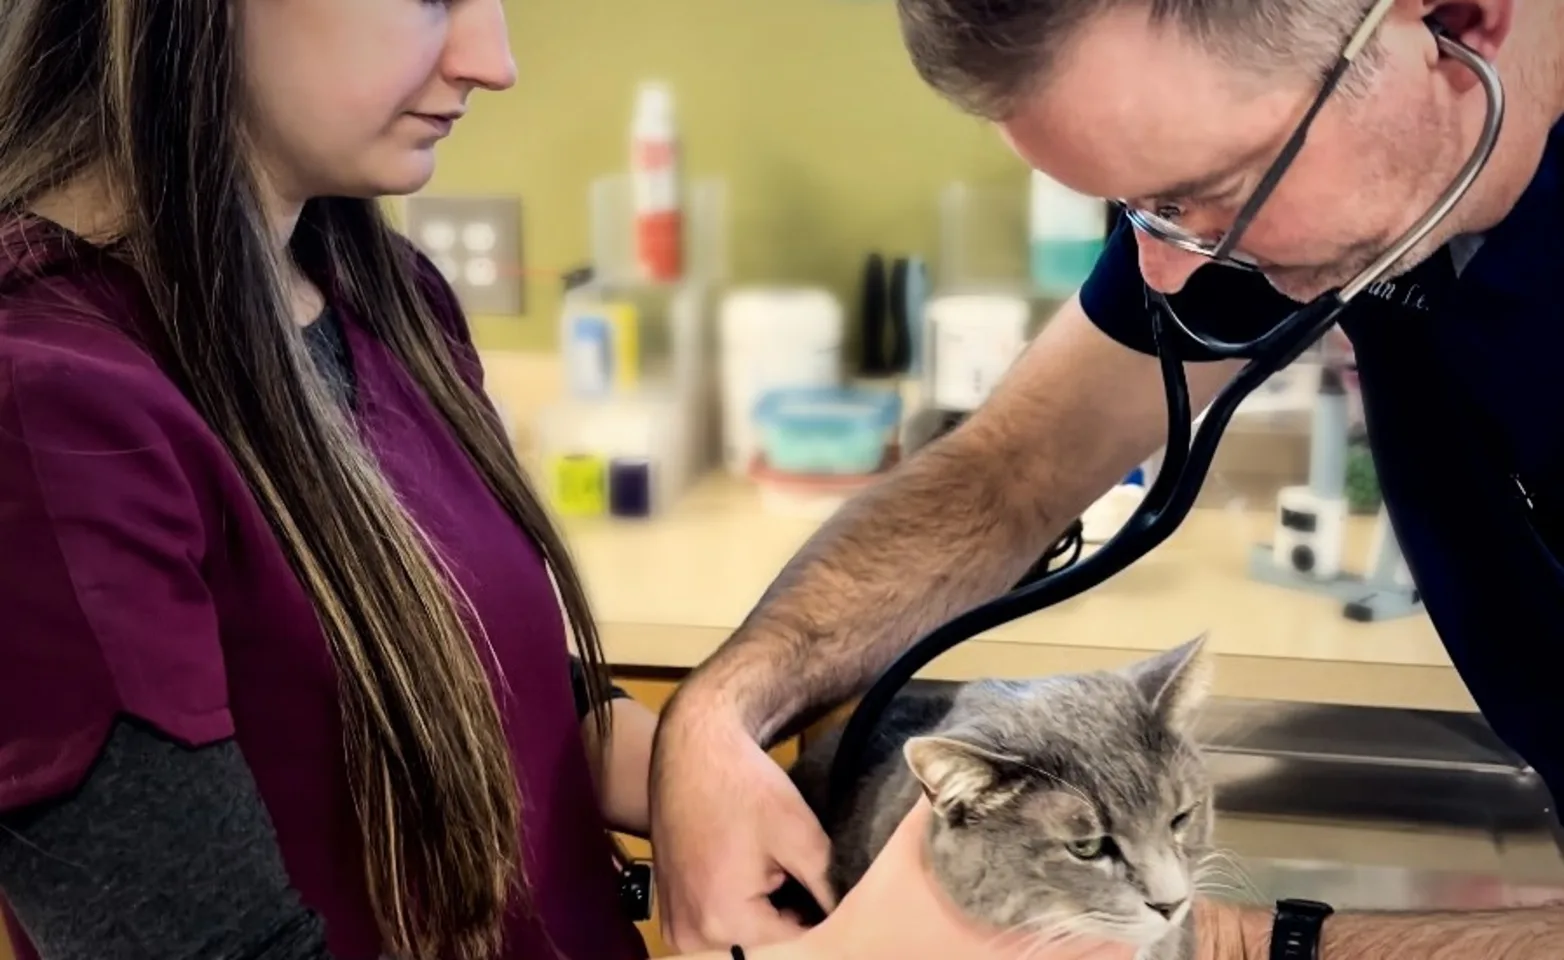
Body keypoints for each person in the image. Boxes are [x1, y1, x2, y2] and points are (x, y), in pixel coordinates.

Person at [651, 0, 1564, 958]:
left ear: (1463, 21)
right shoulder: (1305, 161)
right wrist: (715, 716)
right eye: (1141, 211)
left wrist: (1226, 944)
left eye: (1203, 190)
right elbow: (1008, 473)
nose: (1164, 273)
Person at [0, 1, 671, 958]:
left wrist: (683, 774)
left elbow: (472, 670)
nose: (495, 62)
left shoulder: (387, 295)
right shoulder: (43, 414)